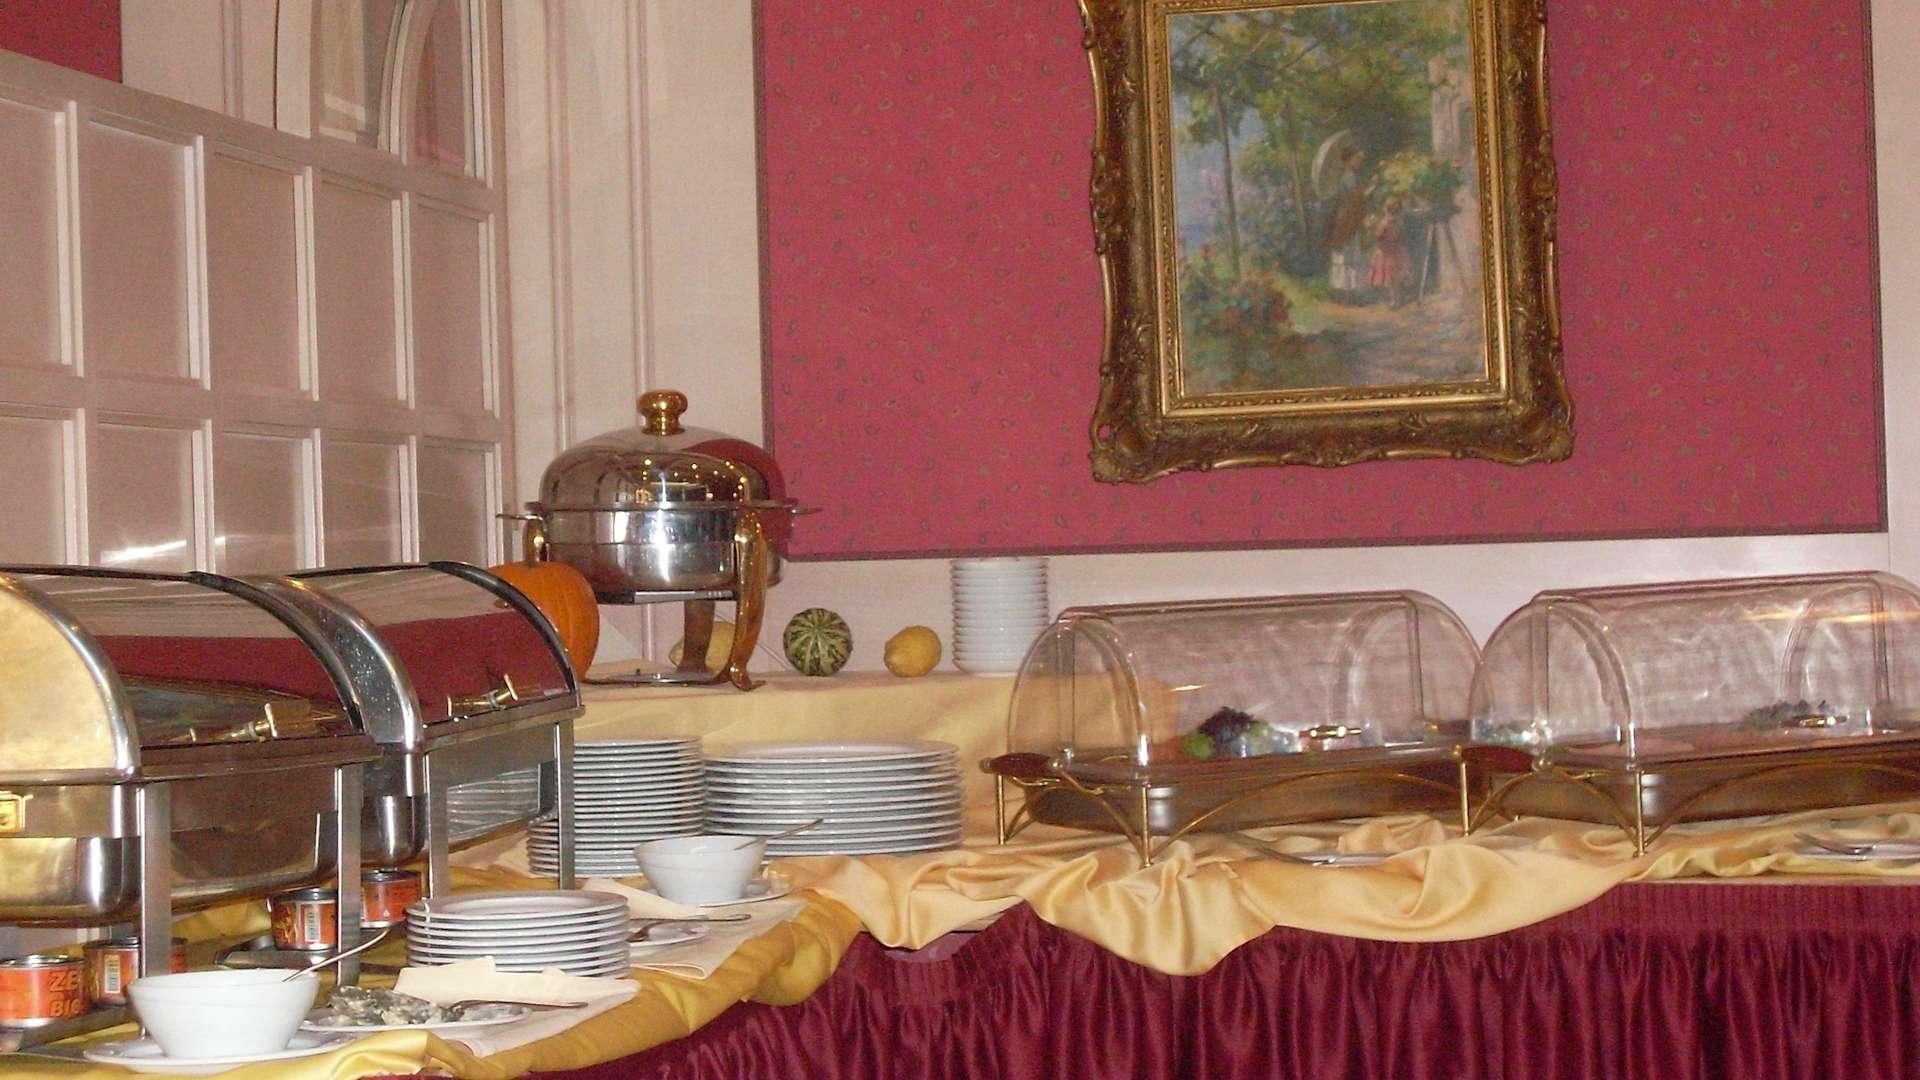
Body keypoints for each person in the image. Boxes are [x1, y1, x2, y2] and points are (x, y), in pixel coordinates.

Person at [1323, 145, 1371, 301]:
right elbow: (1356, 199)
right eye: (1356, 158)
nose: (1359, 161)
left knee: (1352, 255)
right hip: (1348, 220)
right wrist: (1370, 190)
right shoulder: (1349, 177)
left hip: (1350, 218)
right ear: (1348, 160)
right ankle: (1348, 293)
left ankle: (1350, 292)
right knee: (1349, 255)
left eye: (1360, 159)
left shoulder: (1351, 176)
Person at [1369, 197, 1414, 308]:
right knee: (1396, 278)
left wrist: (1373, 231)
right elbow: (1402, 236)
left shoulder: (1385, 222)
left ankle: (1395, 300)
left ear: (1387, 209)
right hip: (1397, 251)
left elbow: (1378, 236)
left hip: (1387, 253)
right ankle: (1398, 299)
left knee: (1391, 279)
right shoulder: (1399, 222)